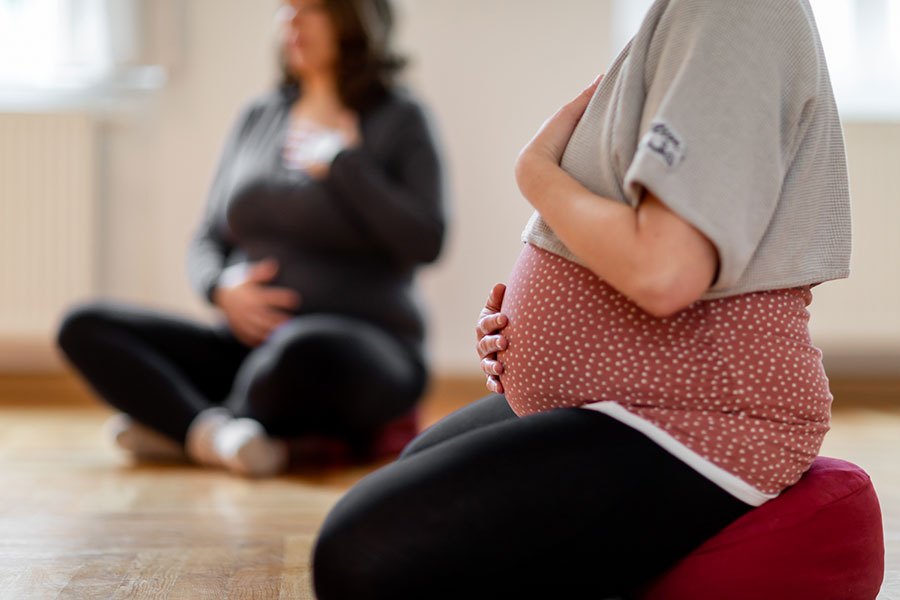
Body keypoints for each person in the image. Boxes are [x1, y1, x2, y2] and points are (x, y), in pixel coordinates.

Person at [311, 0, 850, 597]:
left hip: (698, 423)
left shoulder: (732, 11)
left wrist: (534, 170)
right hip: (623, 402)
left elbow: (664, 270)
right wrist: (534, 332)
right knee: (411, 475)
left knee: (360, 553)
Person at [57, 0, 445, 478]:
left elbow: (427, 240)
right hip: (246, 349)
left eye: (311, 9)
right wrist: (219, 289)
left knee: (298, 350)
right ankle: (220, 436)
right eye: (286, 8)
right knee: (84, 324)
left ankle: (183, 427)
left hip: (361, 353)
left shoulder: (400, 118)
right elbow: (205, 238)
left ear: (354, 19)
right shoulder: (259, 115)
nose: (291, 20)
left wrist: (347, 165)